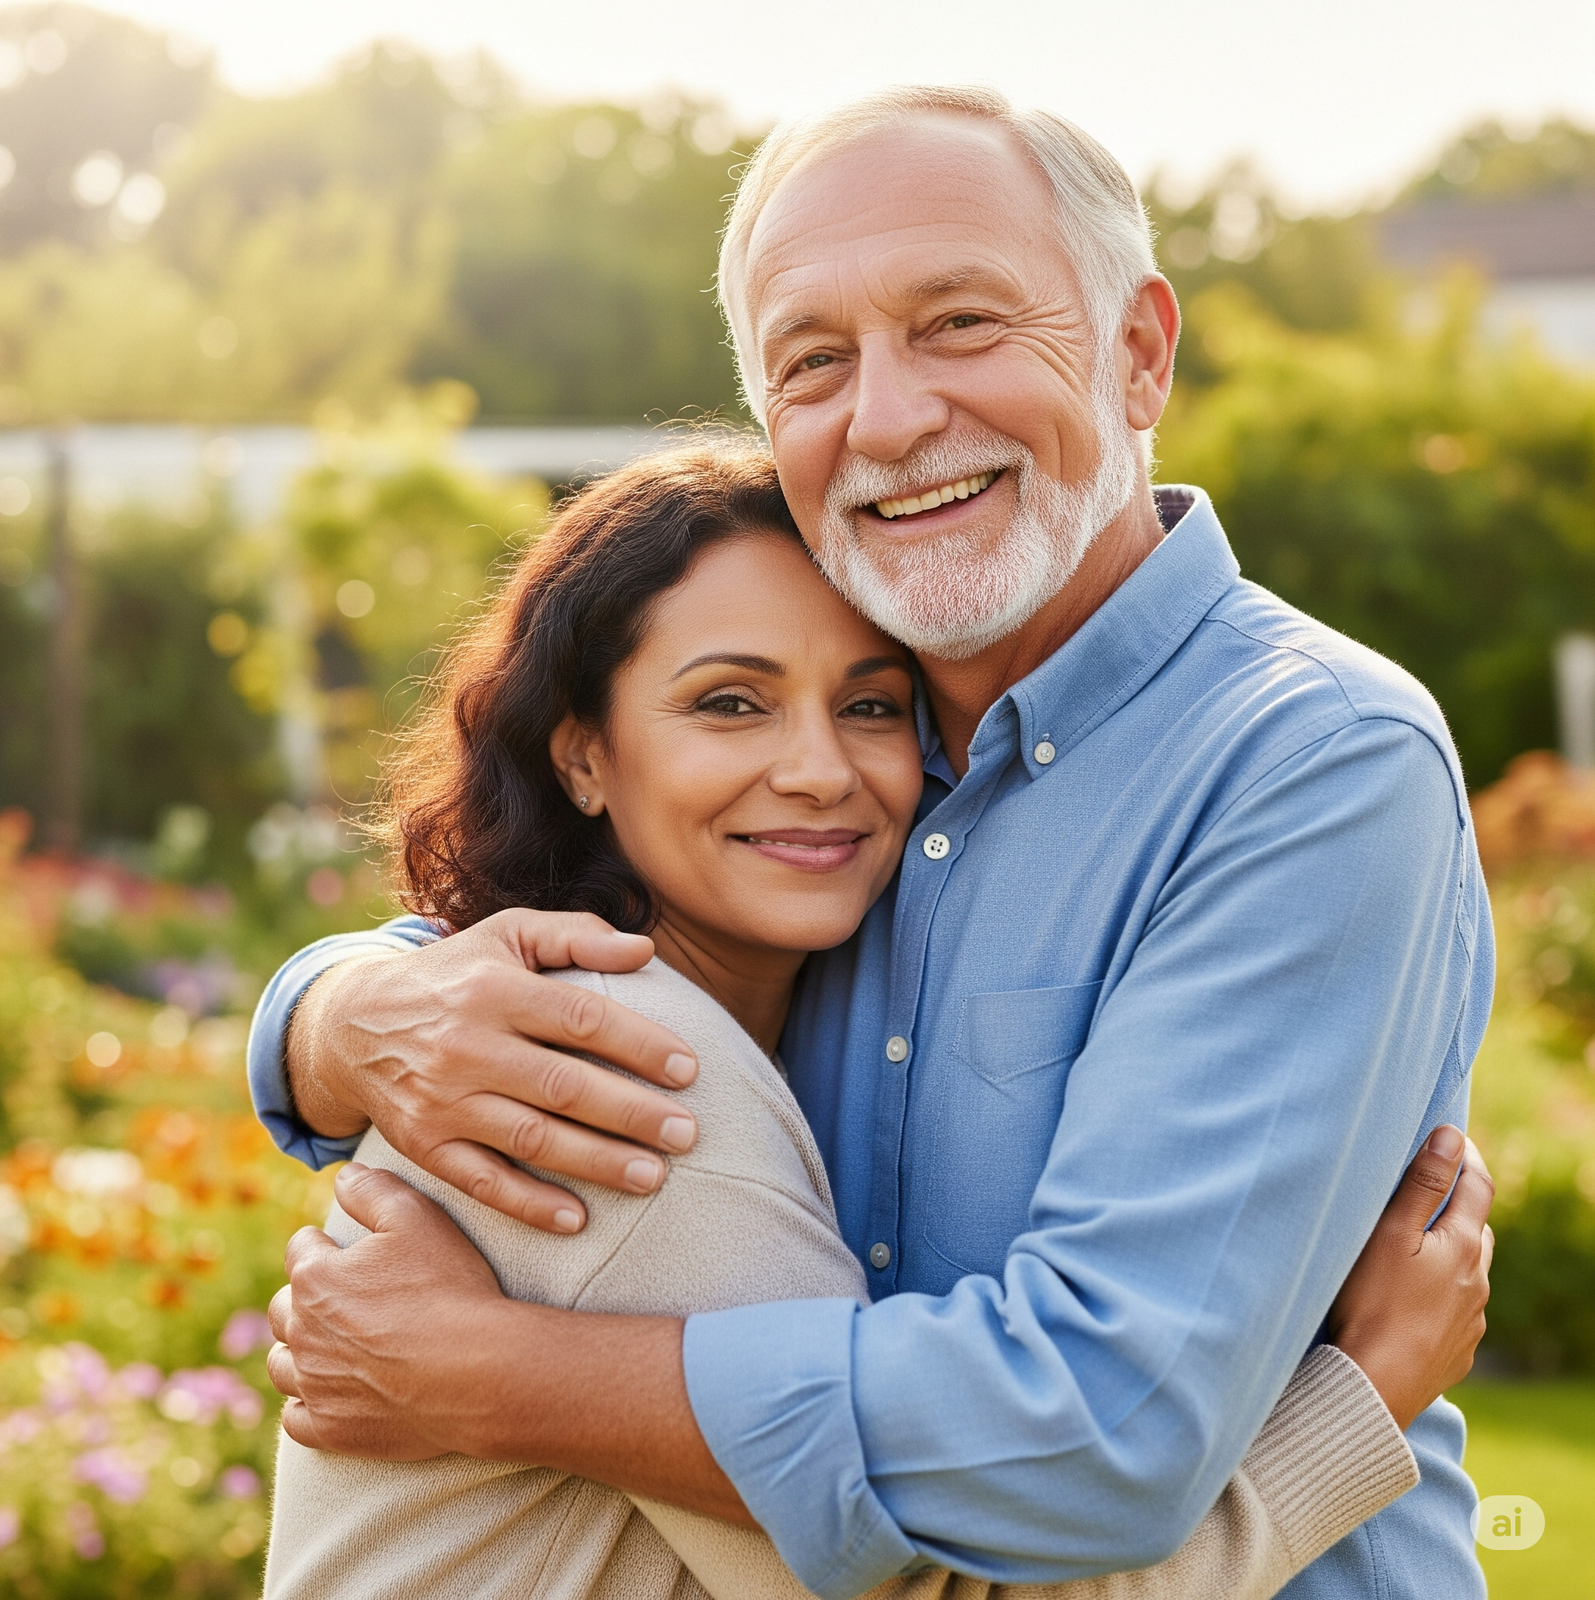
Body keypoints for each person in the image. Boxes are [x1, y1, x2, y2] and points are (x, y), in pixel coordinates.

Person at [255, 87, 1496, 1598]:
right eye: (816, 360)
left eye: (962, 322)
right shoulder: (840, 813)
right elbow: (546, 960)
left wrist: (493, 1374)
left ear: (1141, 352)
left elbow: (1094, 1439)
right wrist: (332, 1016)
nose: (892, 417)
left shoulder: (1307, 762)